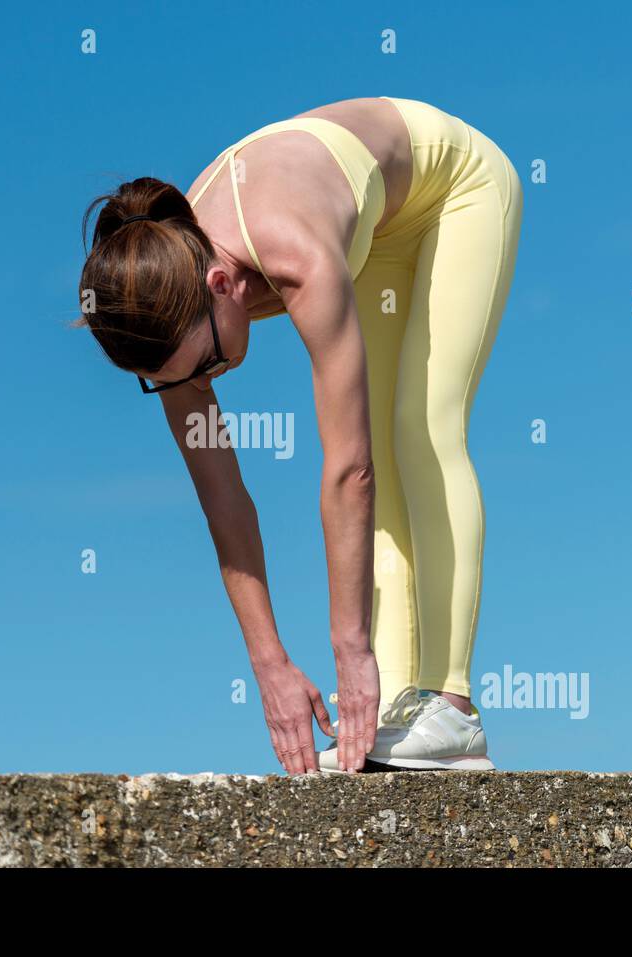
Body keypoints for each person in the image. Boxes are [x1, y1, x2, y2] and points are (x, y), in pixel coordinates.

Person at [76, 96, 522, 774]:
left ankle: (454, 706)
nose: (202, 381)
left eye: (203, 365)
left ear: (222, 282)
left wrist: (349, 649)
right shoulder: (170, 315)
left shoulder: (297, 253)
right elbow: (225, 504)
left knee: (416, 427)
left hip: (454, 191)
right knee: (380, 451)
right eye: (167, 381)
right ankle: (392, 718)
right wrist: (271, 663)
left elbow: (349, 470)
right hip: (373, 237)